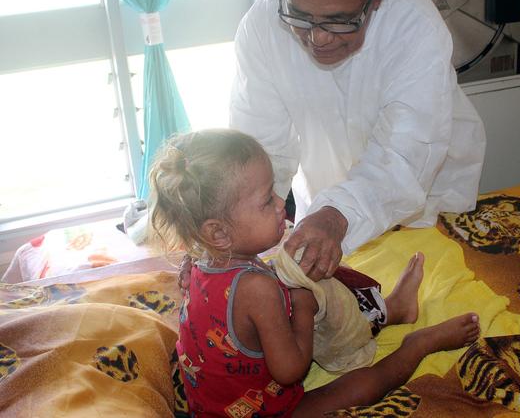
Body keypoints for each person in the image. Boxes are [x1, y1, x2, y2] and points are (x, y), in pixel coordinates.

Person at [149, 128, 480, 417]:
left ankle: (392, 310)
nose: (282, 203)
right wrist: (302, 304)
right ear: (219, 233)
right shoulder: (256, 290)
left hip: (210, 404)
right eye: (267, 200)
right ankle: (418, 344)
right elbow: (291, 369)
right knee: (362, 387)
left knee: (332, 301)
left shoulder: (197, 259)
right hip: (265, 410)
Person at [229, 0, 487, 282]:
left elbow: (403, 160)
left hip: (421, 205)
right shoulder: (263, 26)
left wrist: (338, 216)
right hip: (324, 210)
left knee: (423, 303)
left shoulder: (414, 27)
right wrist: (232, 228)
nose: (317, 38)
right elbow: (261, 149)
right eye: (300, 15)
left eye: (339, 20)